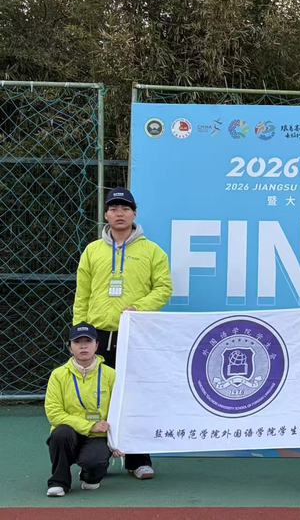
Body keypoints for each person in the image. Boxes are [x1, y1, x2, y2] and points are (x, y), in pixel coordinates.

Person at [72, 187, 172, 480]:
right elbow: (82, 294)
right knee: (98, 396)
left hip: (135, 334)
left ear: (134, 214)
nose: (119, 213)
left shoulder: (152, 251)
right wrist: (80, 333)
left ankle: (138, 460)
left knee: (135, 394)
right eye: (114, 208)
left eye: (125, 208)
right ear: (106, 214)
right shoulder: (92, 251)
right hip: (99, 334)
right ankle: (97, 459)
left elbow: (163, 288)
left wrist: (138, 308)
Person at [44, 323, 120, 497]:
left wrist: (118, 440)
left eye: (88, 341)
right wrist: (89, 426)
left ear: (97, 345)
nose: (83, 346)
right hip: (71, 433)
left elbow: (119, 410)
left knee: (93, 470)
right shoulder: (58, 375)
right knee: (60, 434)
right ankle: (59, 482)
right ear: (70, 347)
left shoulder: (111, 374)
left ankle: (90, 475)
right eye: (77, 342)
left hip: (99, 435)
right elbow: (54, 413)